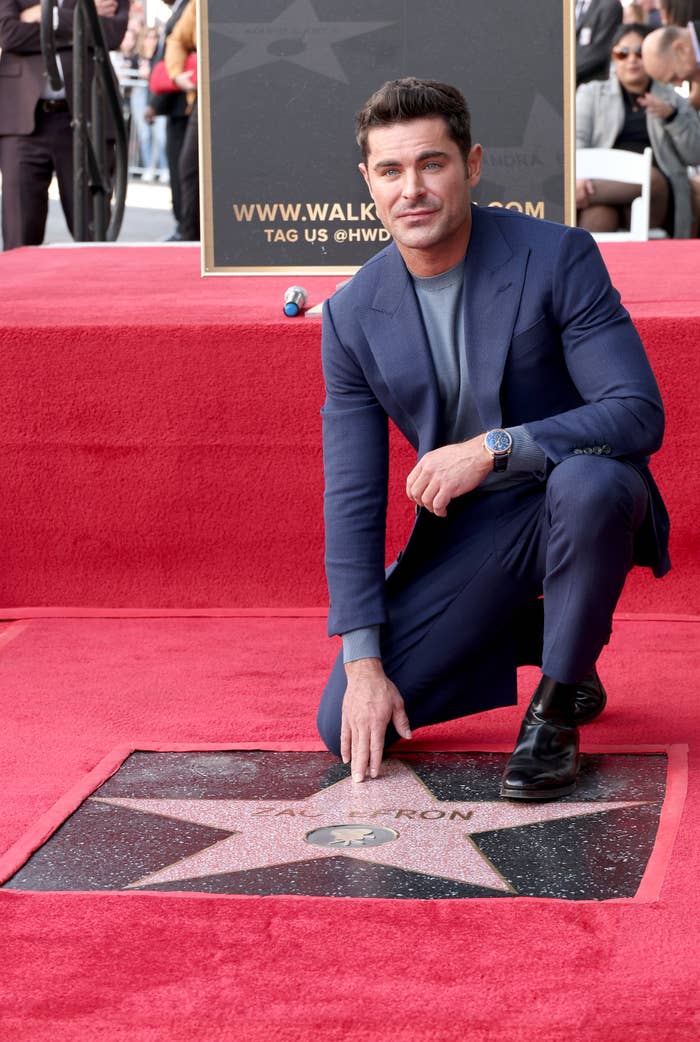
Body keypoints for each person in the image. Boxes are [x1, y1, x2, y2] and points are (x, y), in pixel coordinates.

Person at [316, 78, 669, 802]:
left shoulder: (557, 256)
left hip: (577, 492)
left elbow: (637, 413)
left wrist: (495, 447)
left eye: (432, 164)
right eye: (391, 170)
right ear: (368, 182)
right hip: (474, 532)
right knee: (344, 724)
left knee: (589, 482)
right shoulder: (352, 314)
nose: (412, 189)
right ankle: (559, 634)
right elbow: (351, 493)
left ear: (471, 165)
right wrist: (362, 665)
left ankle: (558, 702)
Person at [0, 0, 129, 250]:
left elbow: (112, 34)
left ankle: (94, 288)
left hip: (89, 117)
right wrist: (79, 27)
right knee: (19, 233)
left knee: (93, 232)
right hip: (23, 120)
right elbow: (9, 33)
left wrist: (51, 18)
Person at [576, 22, 700, 237]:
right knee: (599, 215)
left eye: (639, 53)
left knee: (649, 178)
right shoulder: (591, 93)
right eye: (622, 53)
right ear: (613, 57)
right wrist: (579, 176)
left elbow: (695, 154)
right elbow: (576, 140)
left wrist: (672, 118)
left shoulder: (673, 99)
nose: (632, 59)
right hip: (604, 183)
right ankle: (591, 268)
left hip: (658, 192)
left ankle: (578, 194)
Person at [576, 0, 623, 84]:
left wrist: (567, 72)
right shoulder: (572, 5)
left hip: (590, 81)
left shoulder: (609, 5)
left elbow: (601, 49)